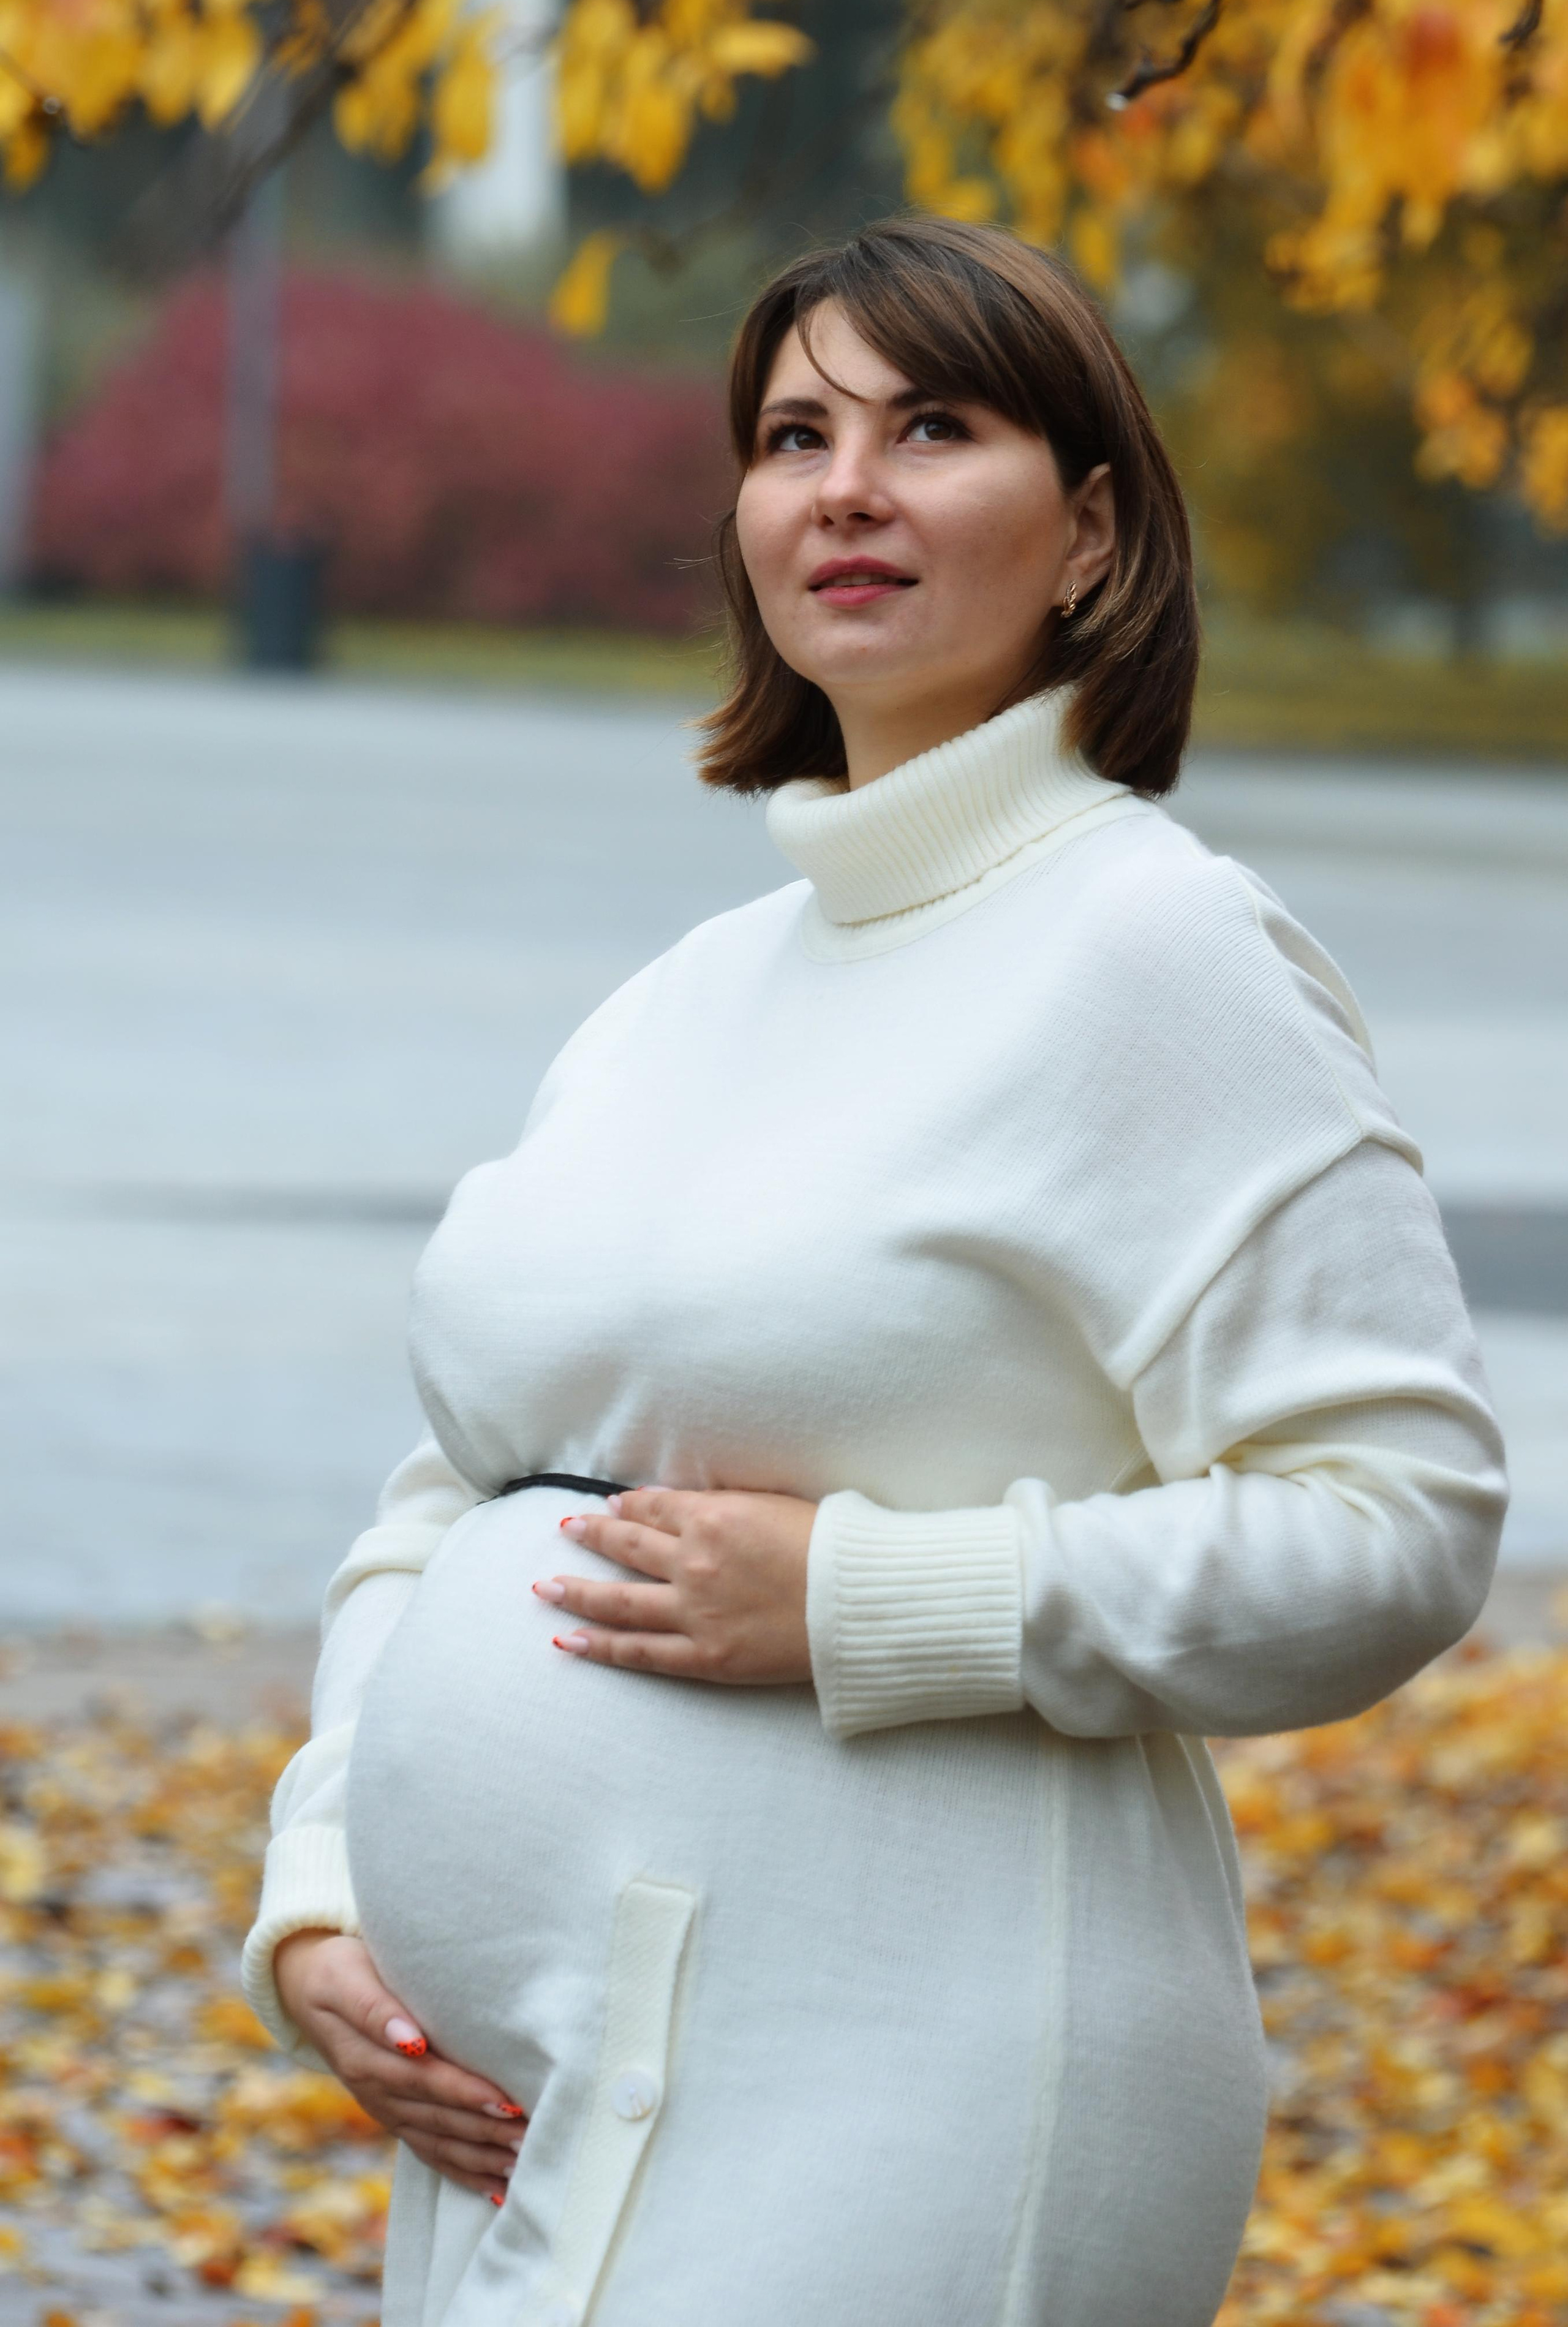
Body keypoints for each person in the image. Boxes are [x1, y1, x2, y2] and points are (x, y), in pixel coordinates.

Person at [242, 216, 1506, 2327]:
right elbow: (458, 1494)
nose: (845, 487)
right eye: (793, 436)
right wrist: (320, 1892)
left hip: (927, 2076)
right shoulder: (681, 996)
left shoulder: (1159, 951)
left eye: (932, 429)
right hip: (526, 2091)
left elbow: (1399, 1524)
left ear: (1090, 530)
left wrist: (865, 1601)